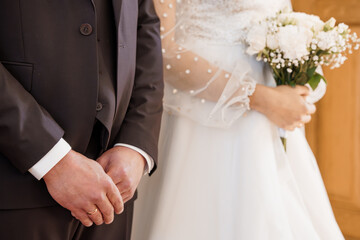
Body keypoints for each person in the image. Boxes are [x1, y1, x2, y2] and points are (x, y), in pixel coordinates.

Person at [131, 0, 344, 239]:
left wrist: (299, 79)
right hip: (203, 114)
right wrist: (258, 97)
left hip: (272, 114)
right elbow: (163, 51)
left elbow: (286, 19)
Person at [0, 0, 163, 240]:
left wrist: (136, 144)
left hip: (113, 186)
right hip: (15, 183)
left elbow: (144, 22)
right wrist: (53, 161)